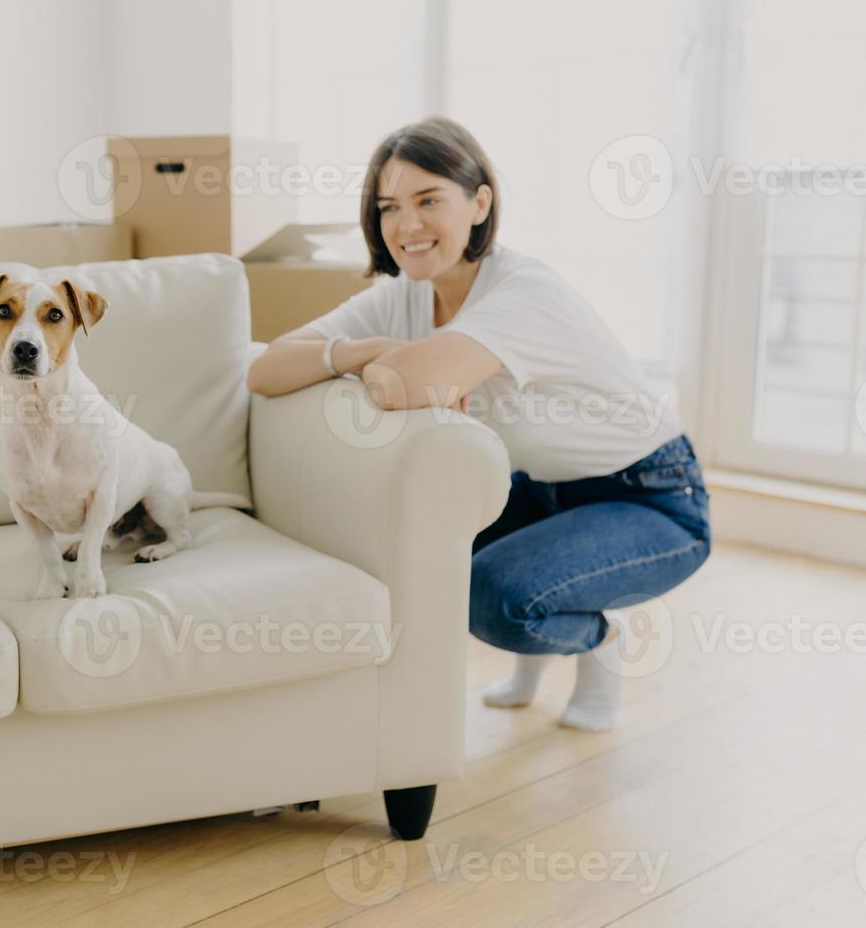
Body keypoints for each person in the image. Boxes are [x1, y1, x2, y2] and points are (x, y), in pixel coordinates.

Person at [246, 117, 710, 731]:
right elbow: (268, 368)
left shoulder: (524, 292)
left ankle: (599, 642)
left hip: (650, 497)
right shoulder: (404, 294)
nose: (406, 225)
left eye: (429, 200)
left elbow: (401, 385)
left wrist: (385, 368)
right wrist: (358, 352)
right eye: (389, 207)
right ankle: (537, 653)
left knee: (491, 598)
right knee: (420, 556)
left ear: (480, 202)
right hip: (539, 489)